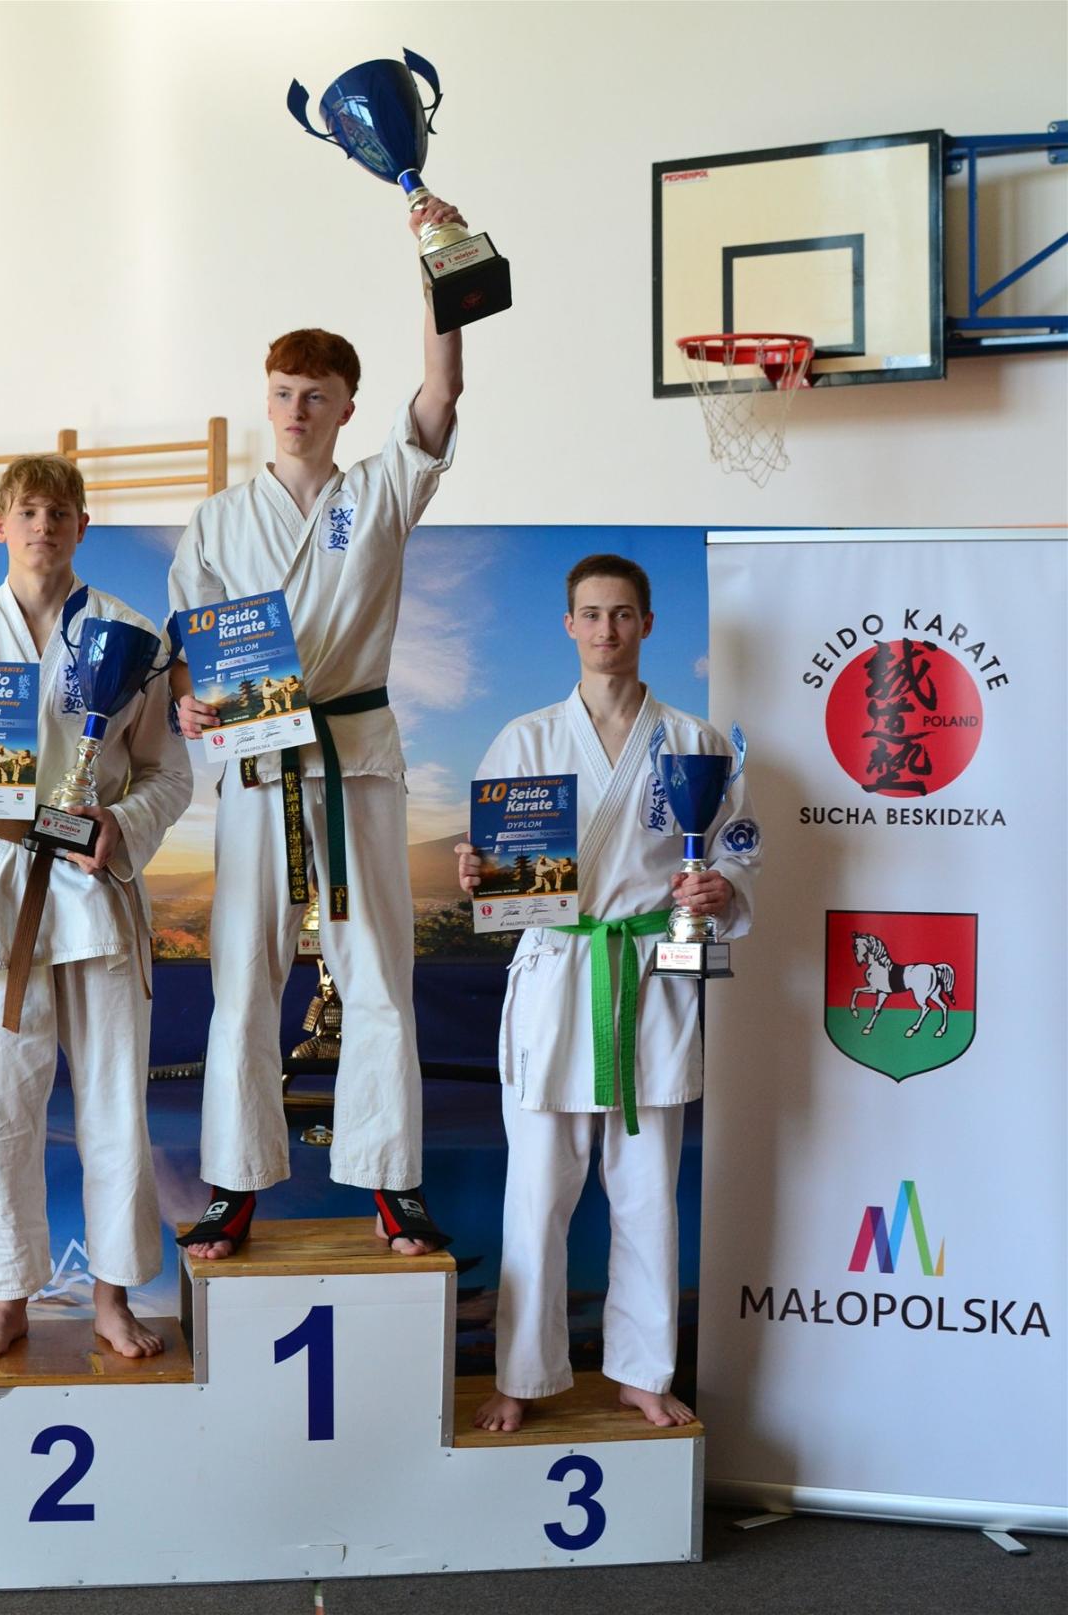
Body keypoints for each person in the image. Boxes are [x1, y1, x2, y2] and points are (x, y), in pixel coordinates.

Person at [168, 196, 466, 1260]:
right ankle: (233, 1185)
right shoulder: (218, 519)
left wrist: (438, 263)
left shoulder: (377, 494)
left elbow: (442, 390)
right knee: (244, 976)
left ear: (347, 409)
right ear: (269, 399)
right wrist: (190, 701)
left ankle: (393, 1182)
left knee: (378, 968)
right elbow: (191, 649)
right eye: (283, 394)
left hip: (354, 763)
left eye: (317, 397)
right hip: (256, 767)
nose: (296, 411)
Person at [0, 455, 192, 1360]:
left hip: (96, 889)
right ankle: (7, 1298)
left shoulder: (132, 635)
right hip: (2, 891)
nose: (43, 527)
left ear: (82, 527)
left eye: (60, 513)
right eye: (27, 512)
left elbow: (167, 774)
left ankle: (112, 1297)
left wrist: (122, 823)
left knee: (114, 1106)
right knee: (1, 1108)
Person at [456, 554, 762, 1431]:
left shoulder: (697, 742)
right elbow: (493, 862)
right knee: (537, 1192)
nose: (606, 630)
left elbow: (739, 846)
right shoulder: (525, 740)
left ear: (647, 624)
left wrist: (724, 888)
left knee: (646, 1193)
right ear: (569, 626)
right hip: (559, 974)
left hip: (650, 972)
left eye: (622, 614)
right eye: (590, 615)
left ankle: (642, 1370)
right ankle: (521, 1373)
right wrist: (477, 871)